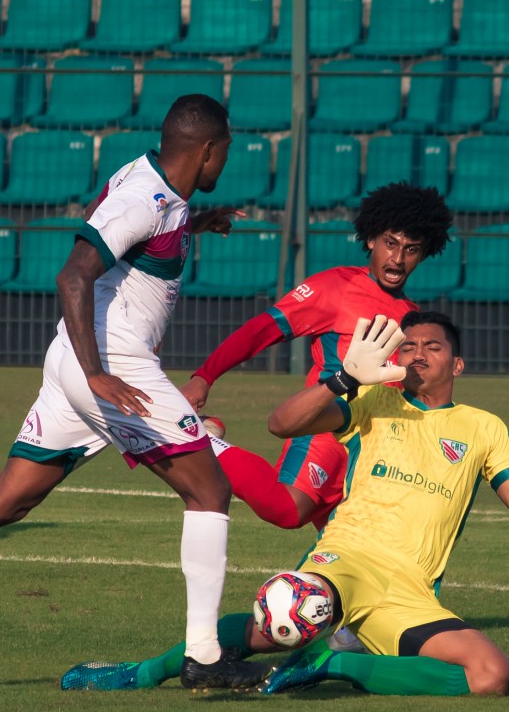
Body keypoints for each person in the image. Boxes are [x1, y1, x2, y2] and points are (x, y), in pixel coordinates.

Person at [0, 94, 270, 690]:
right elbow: (73, 274)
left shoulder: (156, 191)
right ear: (208, 149)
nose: (228, 161)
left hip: (80, 361)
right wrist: (96, 375)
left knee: (9, 498)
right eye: (226, 150)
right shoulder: (144, 197)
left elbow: (137, 244)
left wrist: (196, 223)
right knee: (209, 488)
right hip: (107, 361)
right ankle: (204, 656)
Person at [63, 311, 509, 695]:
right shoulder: (376, 402)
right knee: (278, 626)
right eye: (409, 347)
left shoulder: (485, 428)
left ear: (457, 363)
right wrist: (343, 379)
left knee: (491, 675)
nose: (417, 354)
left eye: (432, 347)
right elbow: (280, 424)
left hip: (408, 593)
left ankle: (336, 668)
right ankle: (141, 673)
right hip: (345, 562)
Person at [183, 183, 453, 532]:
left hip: (369, 447)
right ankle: (209, 443)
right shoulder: (335, 288)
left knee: (349, 546)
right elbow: (261, 330)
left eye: (411, 249)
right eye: (390, 243)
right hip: (324, 427)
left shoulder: (411, 315)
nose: (398, 259)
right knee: (287, 509)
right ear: (371, 239)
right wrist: (206, 375)